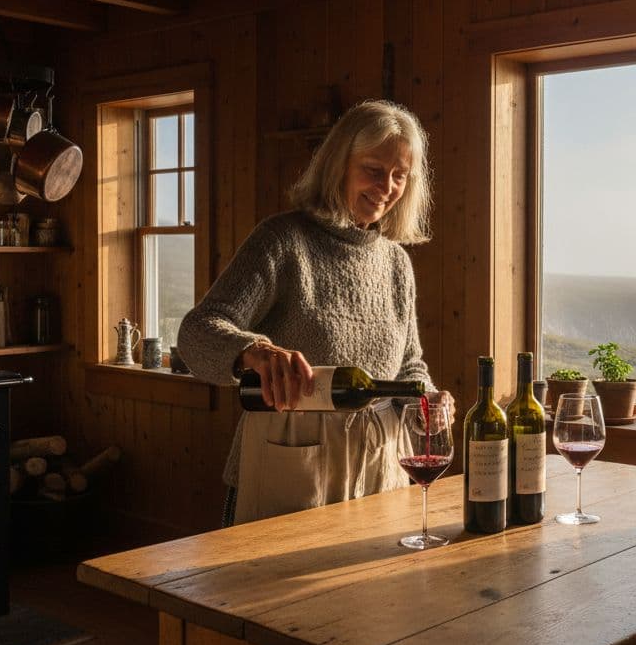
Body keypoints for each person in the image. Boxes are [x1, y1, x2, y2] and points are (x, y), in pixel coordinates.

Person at [178, 100, 451, 525]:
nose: (387, 187)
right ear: (338, 163)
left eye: (400, 176)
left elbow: (408, 364)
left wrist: (427, 398)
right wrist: (256, 352)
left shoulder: (396, 261)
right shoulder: (282, 240)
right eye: (374, 170)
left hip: (381, 466)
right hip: (290, 465)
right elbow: (197, 332)